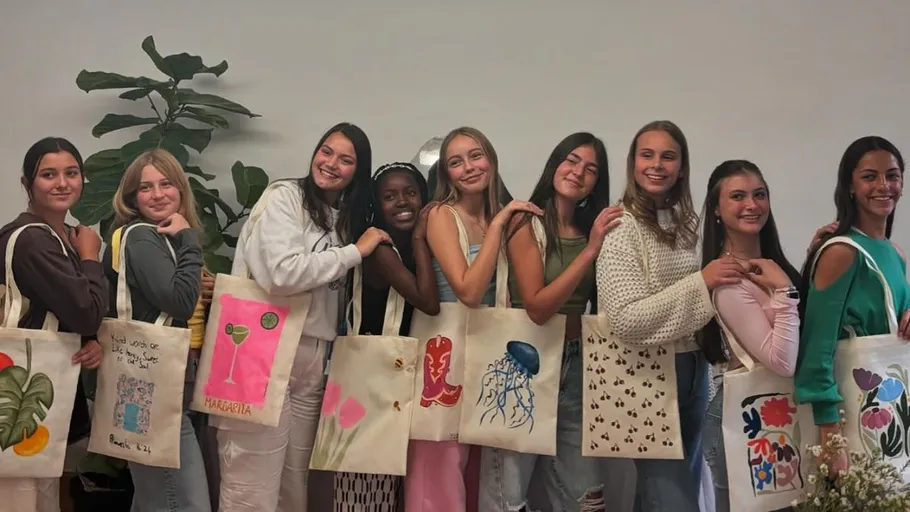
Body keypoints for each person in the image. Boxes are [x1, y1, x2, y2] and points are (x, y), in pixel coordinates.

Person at [216, 122, 390, 512]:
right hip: (262, 348)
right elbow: (281, 274)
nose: (330, 163)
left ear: (356, 173)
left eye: (345, 160)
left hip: (312, 356)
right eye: (326, 151)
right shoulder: (285, 196)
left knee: (294, 485)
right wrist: (354, 253)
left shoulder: (341, 216)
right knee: (251, 486)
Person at [596, 120, 740, 512]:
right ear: (633, 162)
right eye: (647, 155)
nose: (656, 165)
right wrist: (701, 283)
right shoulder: (621, 226)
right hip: (646, 373)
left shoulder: (688, 224)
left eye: (668, 156)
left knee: (667, 490)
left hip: (694, 368)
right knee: (672, 498)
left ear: (681, 166)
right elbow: (624, 319)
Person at [479, 132, 622, 511]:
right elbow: (538, 307)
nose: (578, 172)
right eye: (571, 160)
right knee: (509, 496)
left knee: (587, 497)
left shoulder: (593, 227)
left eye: (591, 169)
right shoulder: (525, 222)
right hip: (526, 363)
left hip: (577, 364)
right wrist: (590, 249)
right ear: (554, 163)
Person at [405, 126, 543, 511]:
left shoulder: (509, 217)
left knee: (481, 469)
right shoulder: (440, 215)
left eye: (476, 155)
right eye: (456, 161)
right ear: (445, 174)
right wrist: (499, 226)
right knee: (440, 467)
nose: (469, 167)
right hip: (445, 354)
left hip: (488, 352)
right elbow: (467, 291)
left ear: (491, 159)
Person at [0, 137, 106, 511]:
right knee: (22, 493)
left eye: (71, 173)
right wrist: (91, 258)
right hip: (25, 392)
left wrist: (89, 338)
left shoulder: (60, 238)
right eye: (48, 174)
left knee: (39, 488)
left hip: (37, 387)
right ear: (27, 183)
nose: (62, 183)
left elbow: (66, 311)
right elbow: (85, 310)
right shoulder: (32, 240)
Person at [796, 136, 910, 479]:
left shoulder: (895, 252)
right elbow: (817, 349)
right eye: (869, 176)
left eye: (892, 175)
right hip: (853, 415)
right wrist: (831, 436)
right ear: (849, 185)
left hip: (894, 410)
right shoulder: (841, 252)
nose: (883, 186)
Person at [103, 148, 211, 511]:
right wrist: (190, 240)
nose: (158, 194)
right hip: (154, 386)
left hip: (147, 385)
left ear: (180, 189)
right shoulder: (142, 236)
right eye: (146, 187)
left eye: (166, 184)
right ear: (132, 196)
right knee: (186, 501)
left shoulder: (155, 237)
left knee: (155, 496)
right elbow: (179, 302)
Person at [333, 162, 440, 511]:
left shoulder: (404, 248)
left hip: (392, 380)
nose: (402, 202)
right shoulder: (382, 250)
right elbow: (428, 301)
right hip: (370, 381)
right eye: (389, 196)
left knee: (387, 487)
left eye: (410, 193)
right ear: (376, 205)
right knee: (366, 485)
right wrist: (423, 237)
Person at [697, 160, 801, 511]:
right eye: (737, 196)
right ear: (716, 208)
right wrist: (785, 294)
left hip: (777, 415)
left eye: (759, 195)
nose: (751, 205)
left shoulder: (774, 267)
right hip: (741, 421)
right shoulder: (728, 282)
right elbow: (782, 361)